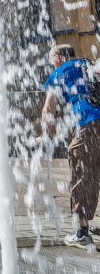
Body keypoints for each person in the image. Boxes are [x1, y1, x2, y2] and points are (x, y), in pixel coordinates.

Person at [41, 44, 100, 250]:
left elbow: (48, 110)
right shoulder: (88, 64)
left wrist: (46, 137)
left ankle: (81, 234)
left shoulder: (59, 72)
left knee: (82, 174)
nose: (51, 64)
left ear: (58, 57)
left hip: (89, 124)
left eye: (51, 60)